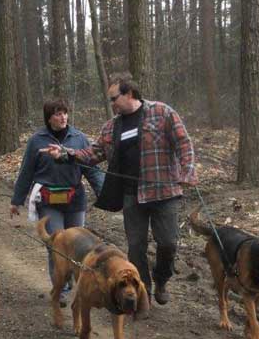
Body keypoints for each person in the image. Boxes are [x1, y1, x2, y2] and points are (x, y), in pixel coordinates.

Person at [40, 72, 197, 306]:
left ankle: (162, 278)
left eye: (114, 98)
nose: (112, 103)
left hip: (164, 193)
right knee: (136, 247)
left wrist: (188, 171)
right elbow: (93, 153)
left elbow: (184, 143)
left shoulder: (162, 112)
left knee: (168, 243)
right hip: (132, 195)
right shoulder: (112, 126)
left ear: (129, 93)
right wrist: (65, 153)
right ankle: (143, 294)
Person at [10, 98, 103, 303]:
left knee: (77, 245)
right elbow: (26, 171)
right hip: (48, 201)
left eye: (65, 113)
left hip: (75, 199)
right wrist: (16, 200)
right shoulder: (37, 140)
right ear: (49, 118)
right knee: (56, 244)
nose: (63, 117)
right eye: (58, 114)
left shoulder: (79, 138)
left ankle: (77, 282)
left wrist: (104, 193)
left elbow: (91, 169)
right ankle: (60, 287)